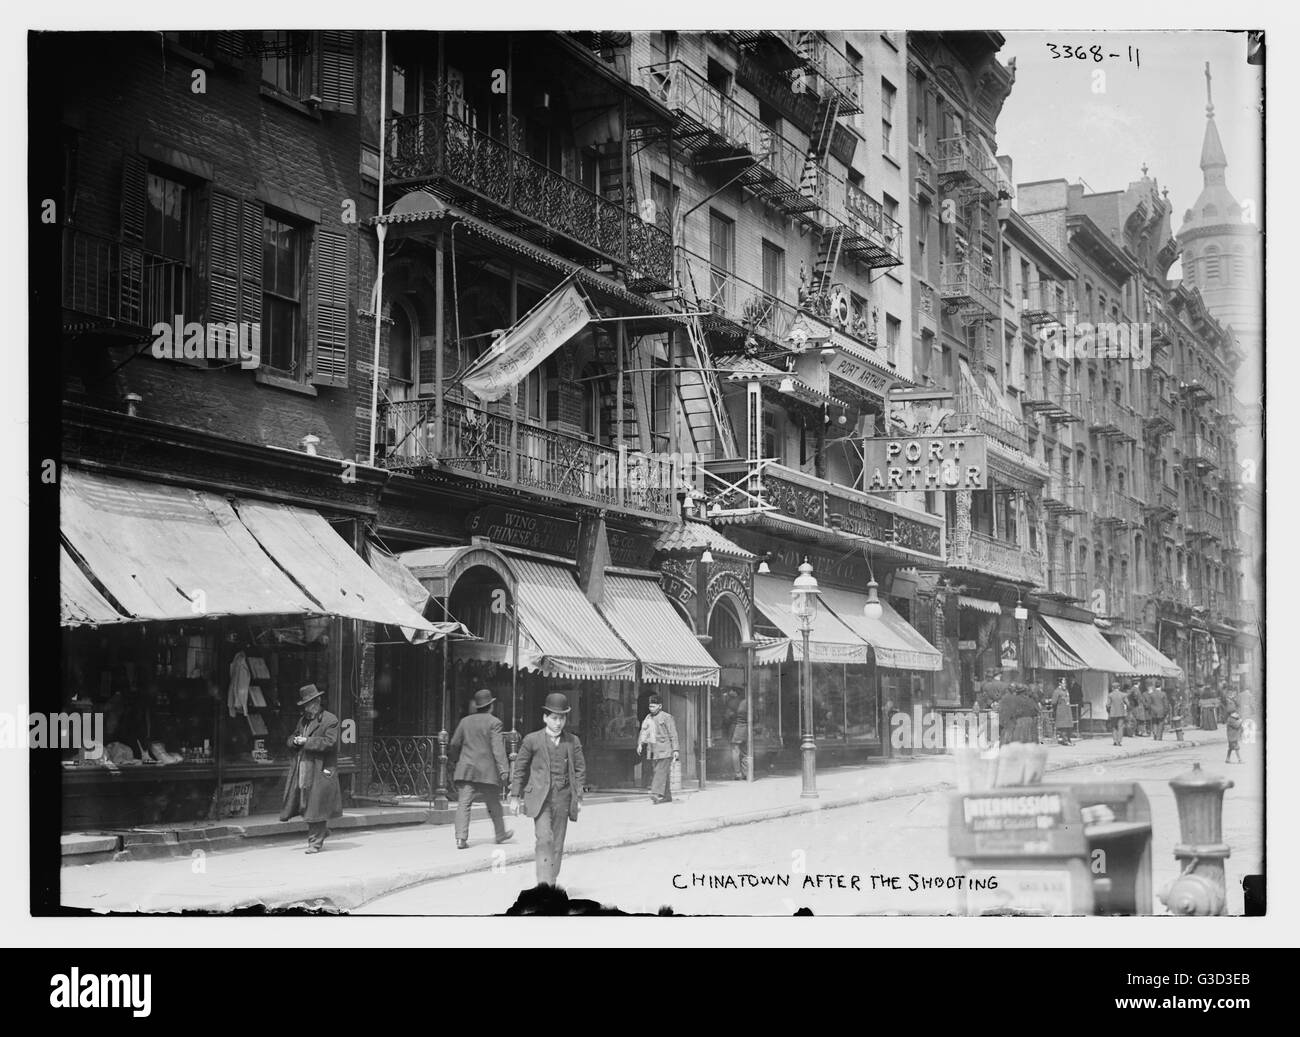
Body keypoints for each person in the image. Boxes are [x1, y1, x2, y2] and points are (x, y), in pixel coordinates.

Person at [509, 693, 586, 888]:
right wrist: (515, 797)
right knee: (545, 838)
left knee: (558, 844)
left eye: (562, 718)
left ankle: (551, 881)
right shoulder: (531, 740)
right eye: (554, 718)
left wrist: (579, 797)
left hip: (563, 797)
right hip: (540, 799)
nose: (558, 722)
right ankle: (543, 884)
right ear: (545, 718)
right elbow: (519, 768)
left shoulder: (572, 741)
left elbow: (580, 769)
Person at [279, 684, 343, 854]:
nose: (308, 707)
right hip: (304, 768)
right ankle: (322, 832)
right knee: (304, 803)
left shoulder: (330, 720)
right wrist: (294, 741)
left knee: (315, 806)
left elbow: (330, 743)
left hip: (321, 768)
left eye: (311, 703)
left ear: (318, 701)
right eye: (306, 704)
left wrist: (306, 742)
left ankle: (315, 842)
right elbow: (292, 737)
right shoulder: (303, 720)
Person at [448, 688, 513, 850]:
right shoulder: (494, 722)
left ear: (477, 706)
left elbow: (454, 743)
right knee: (494, 804)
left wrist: (457, 760)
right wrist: (504, 769)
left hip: (466, 769)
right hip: (487, 771)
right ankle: (500, 834)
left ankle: (460, 839)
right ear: (491, 706)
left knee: (464, 803)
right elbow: (497, 748)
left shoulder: (465, 722)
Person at [637, 693, 680, 803]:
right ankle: (667, 796)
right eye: (650, 706)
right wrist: (640, 744)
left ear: (660, 706)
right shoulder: (648, 717)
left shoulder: (667, 717)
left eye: (653, 706)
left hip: (665, 750)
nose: (651, 709)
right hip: (653, 751)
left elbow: (673, 734)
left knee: (659, 772)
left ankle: (655, 793)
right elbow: (643, 732)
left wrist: (675, 750)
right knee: (661, 772)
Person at [729, 692, 750, 781]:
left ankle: (738, 774)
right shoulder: (747, 702)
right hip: (745, 729)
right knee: (745, 752)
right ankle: (746, 773)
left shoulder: (732, 703)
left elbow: (727, 716)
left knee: (735, 751)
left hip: (735, 729)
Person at [1051, 678, 1074, 746]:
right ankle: (1065, 741)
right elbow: (1054, 702)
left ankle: (1069, 740)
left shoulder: (1066, 690)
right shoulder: (1057, 691)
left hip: (1067, 710)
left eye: (1065, 683)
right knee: (1063, 726)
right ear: (1060, 683)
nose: (1065, 685)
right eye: (1063, 683)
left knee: (1069, 726)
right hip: (1061, 710)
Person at [1106, 683, 1129, 747]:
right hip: (1121, 713)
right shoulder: (1123, 695)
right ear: (1119, 687)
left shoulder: (1110, 695)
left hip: (1113, 714)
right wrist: (1126, 709)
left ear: (1112, 688)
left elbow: (1108, 705)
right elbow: (1127, 703)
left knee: (1114, 727)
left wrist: (1109, 711)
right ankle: (1119, 741)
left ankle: (1115, 741)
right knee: (1120, 727)